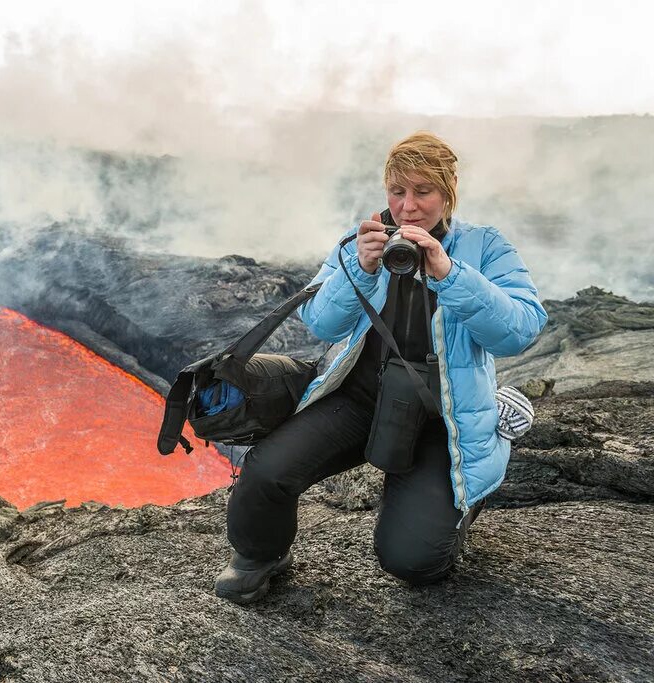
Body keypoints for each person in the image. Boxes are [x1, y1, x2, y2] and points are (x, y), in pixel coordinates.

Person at [215, 131, 548, 604]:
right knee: (267, 471)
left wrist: (449, 274)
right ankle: (258, 556)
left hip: (441, 412)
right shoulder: (361, 242)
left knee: (412, 562)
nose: (407, 206)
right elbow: (322, 323)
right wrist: (361, 268)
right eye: (397, 191)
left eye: (423, 191)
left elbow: (519, 331)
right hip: (362, 396)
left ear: (449, 189)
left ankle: (463, 489)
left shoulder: (484, 247)